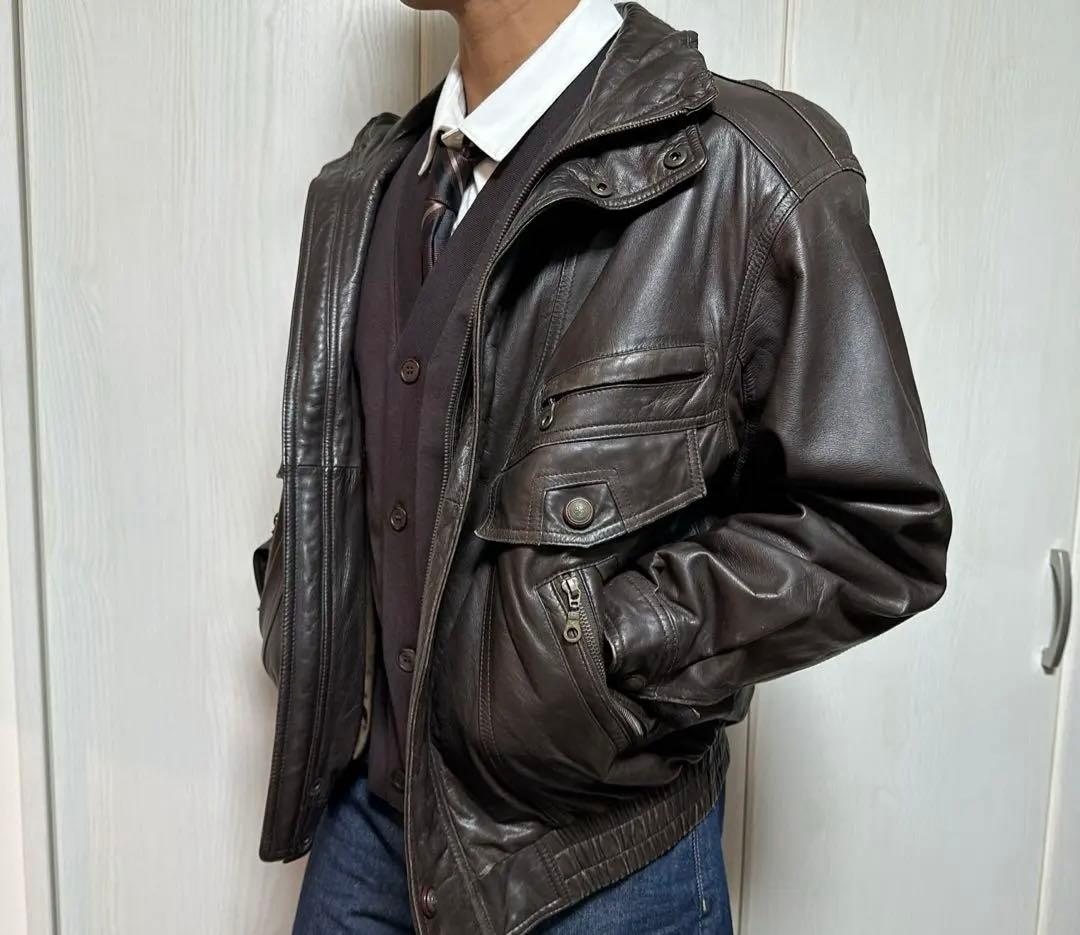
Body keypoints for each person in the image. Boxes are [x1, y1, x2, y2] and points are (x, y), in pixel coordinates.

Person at [250, 1, 952, 932]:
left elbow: (874, 533)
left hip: (598, 866)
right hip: (369, 826)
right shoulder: (372, 186)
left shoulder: (748, 171)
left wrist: (596, 647)